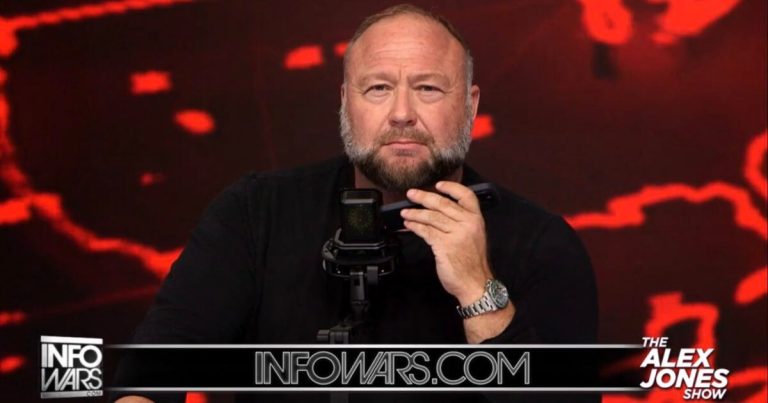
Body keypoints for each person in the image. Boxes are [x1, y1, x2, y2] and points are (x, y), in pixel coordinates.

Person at [114, 4, 598, 403]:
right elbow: (151, 375)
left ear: (470, 106)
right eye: (378, 88)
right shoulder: (256, 213)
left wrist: (479, 291)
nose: (402, 113)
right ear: (346, 102)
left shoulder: (542, 244)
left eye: (428, 88)